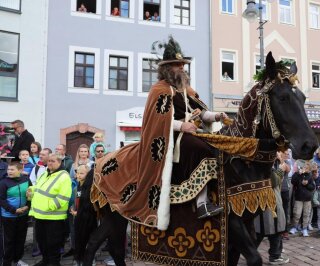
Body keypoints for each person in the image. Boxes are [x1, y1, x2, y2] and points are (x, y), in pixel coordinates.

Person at [92, 36, 228, 230]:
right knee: (201, 149)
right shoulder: (159, 89)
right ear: (166, 68)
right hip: (168, 138)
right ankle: (202, 204)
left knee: (215, 145)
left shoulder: (187, 90)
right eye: (177, 65)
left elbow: (201, 111)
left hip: (188, 133)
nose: (182, 68)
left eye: (183, 64)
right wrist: (182, 126)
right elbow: (157, 120)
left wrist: (217, 116)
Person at [28, 153, 72, 266]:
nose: (50, 163)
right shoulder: (45, 173)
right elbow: (38, 187)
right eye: (49, 161)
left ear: (59, 162)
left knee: (53, 244)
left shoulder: (64, 176)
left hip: (53, 217)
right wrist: (31, 190)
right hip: (39, 215)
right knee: (42, 241)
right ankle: (45, 260)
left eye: (53, 161)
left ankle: (54, 263)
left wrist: (48, 207)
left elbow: (63, 198)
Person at [0, 162, 30, 266]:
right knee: (8, 241)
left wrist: (28, 206)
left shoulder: (26, 180)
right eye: (8, 169)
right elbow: (1, 200)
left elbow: (30, 194)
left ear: (20, 170)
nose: (9, 172)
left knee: (20, 239)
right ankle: (6, 262)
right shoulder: (3, 182)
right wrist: (13, 210)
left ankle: (17, 260)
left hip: (23, 215)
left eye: (12, 170)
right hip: (8, 216)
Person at [289, 161, 316, 237]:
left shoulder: (310, 176)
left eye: (307, 168)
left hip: (307, 198)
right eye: (304, 167)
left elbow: (312, 187)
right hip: (299, 198)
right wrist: (297, 173)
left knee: (306, 214)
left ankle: (304, 228)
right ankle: (294, 227)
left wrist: (307, 184)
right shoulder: (298, 175)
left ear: (309, 169)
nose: (305, 169)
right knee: (297, 213)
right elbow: (293, 181)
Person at [275, 151, 291, 240]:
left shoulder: (286, 161)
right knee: (277, 210)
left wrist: (281, 160)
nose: (285, 154)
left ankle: (285, 230)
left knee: (285, 210)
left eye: (286, 153)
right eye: (283, 152)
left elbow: (287, 169)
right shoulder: (273, 162)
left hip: (284, 189)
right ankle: (278, 230)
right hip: (276, 190)